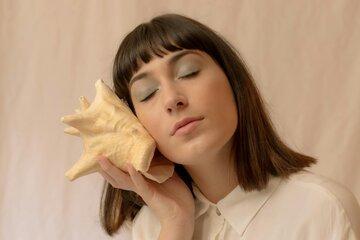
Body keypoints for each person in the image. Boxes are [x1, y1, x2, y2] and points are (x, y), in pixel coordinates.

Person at [95, 13, 360, 240]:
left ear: (234, 82)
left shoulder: (322, 208)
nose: (172, 99)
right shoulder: (153, 226)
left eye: (188, 72)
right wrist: (175, 222)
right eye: (147, 93)